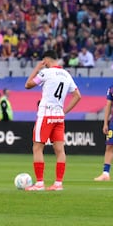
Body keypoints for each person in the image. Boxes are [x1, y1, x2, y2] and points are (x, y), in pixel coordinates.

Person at [23, 50, 81, 191]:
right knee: (60, 150)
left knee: (37, 148)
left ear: (46, 61)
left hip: (46, 114)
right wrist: (64, 111)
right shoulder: (66, 74)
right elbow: (77, 96)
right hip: (59, 116)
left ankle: (39, 183)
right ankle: (58, 183)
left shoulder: (46, 72)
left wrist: (37, 68)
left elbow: (28, 85)